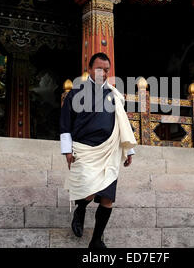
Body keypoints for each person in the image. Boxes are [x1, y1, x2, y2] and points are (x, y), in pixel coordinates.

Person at [60, 52, 137, 249]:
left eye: (106, 69)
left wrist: (128, 151)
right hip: (84, 149)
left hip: (109, 149)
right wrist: (67, 151)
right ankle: (81, 208)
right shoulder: (75, 94)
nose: (103, 72)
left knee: (107, 198)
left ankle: (96, 240)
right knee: (88, 192)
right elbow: (65, 125)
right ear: (89, 70)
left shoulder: (114, 95)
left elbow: (122, 124)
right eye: (99, 68)